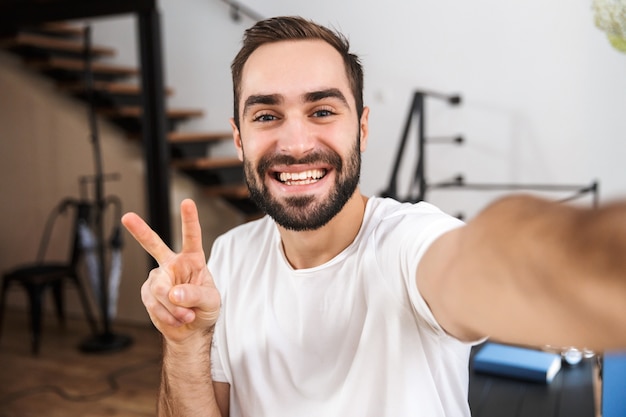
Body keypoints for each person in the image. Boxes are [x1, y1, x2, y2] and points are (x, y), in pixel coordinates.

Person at [121, 16, 626, 417]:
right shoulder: (229, 257)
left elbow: (485, 260)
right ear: (238, 139)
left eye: (322, 111)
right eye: (267, 116)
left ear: (362, 129)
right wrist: (185, 342)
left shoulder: (411, 245)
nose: (296, 144)